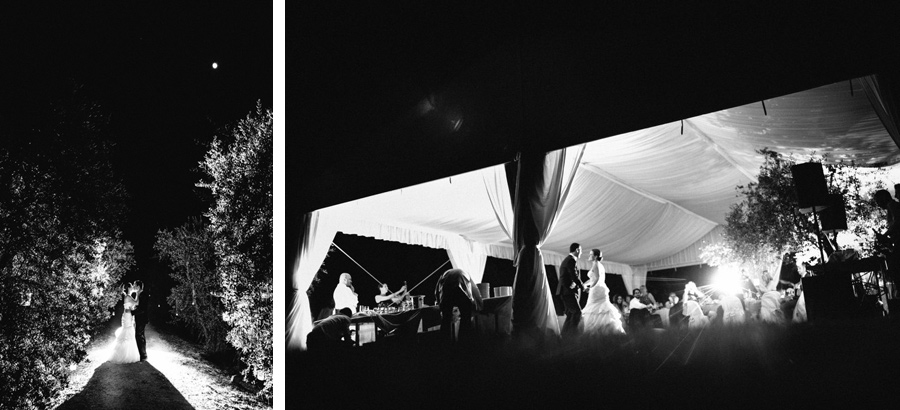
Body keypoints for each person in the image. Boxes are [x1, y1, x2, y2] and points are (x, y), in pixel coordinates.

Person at [581, 249, 625, 335]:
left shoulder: (596, 264)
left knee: (595, 310)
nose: (589, 256)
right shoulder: (598, 264)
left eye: (591, 254)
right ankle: (605, 332)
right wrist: (584, 285)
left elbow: (597, 278)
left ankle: (596, 333)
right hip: (600, 289)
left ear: (596, 256)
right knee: (601, 310)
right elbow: (593, 279)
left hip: (597, 290)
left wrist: (591, 288)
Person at [435, 268, 483, 344]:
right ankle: (463, 344)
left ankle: (444, 345)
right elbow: (475, 290)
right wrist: (480, 305)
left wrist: (441, 306)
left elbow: (436, 292)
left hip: (447, 292)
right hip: (461, 292)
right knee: (465, 319)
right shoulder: (466, 274)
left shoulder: (444, 274)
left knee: (445, 320)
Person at [556, 243, 584, 337]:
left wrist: (574, 283)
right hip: (567, 292)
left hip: (565, 292)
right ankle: (571, 338)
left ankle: (564, 338)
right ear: (577, 250)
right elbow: (574, 275)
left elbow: (568, 275)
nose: (581, 252)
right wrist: (582, 286)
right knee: (577, 313)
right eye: (581, 250)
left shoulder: (568, 260)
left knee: (570, 315)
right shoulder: (571, 260)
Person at [110, 282, 141, 364]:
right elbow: (137, 303)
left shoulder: (128, 296)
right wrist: (137, 293)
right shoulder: (128, 297)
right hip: (127, 316)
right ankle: (125, 355)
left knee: (127, 331)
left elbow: (134, 304)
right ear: (128, 289)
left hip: (127, 315)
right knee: (128, 332)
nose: (132, 288)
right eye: (131, 287)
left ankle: (127, 353)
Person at [131, 280, 149, 361]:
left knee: (139, 336)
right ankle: (143, 355)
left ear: (138, 286)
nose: (133, 287)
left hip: (141, 318)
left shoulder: (143, 295)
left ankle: (143, 356)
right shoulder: (139, 294)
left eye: (134, 285)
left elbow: (142, 308)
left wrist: (132, 312)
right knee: (140, 336)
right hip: (140, 317)